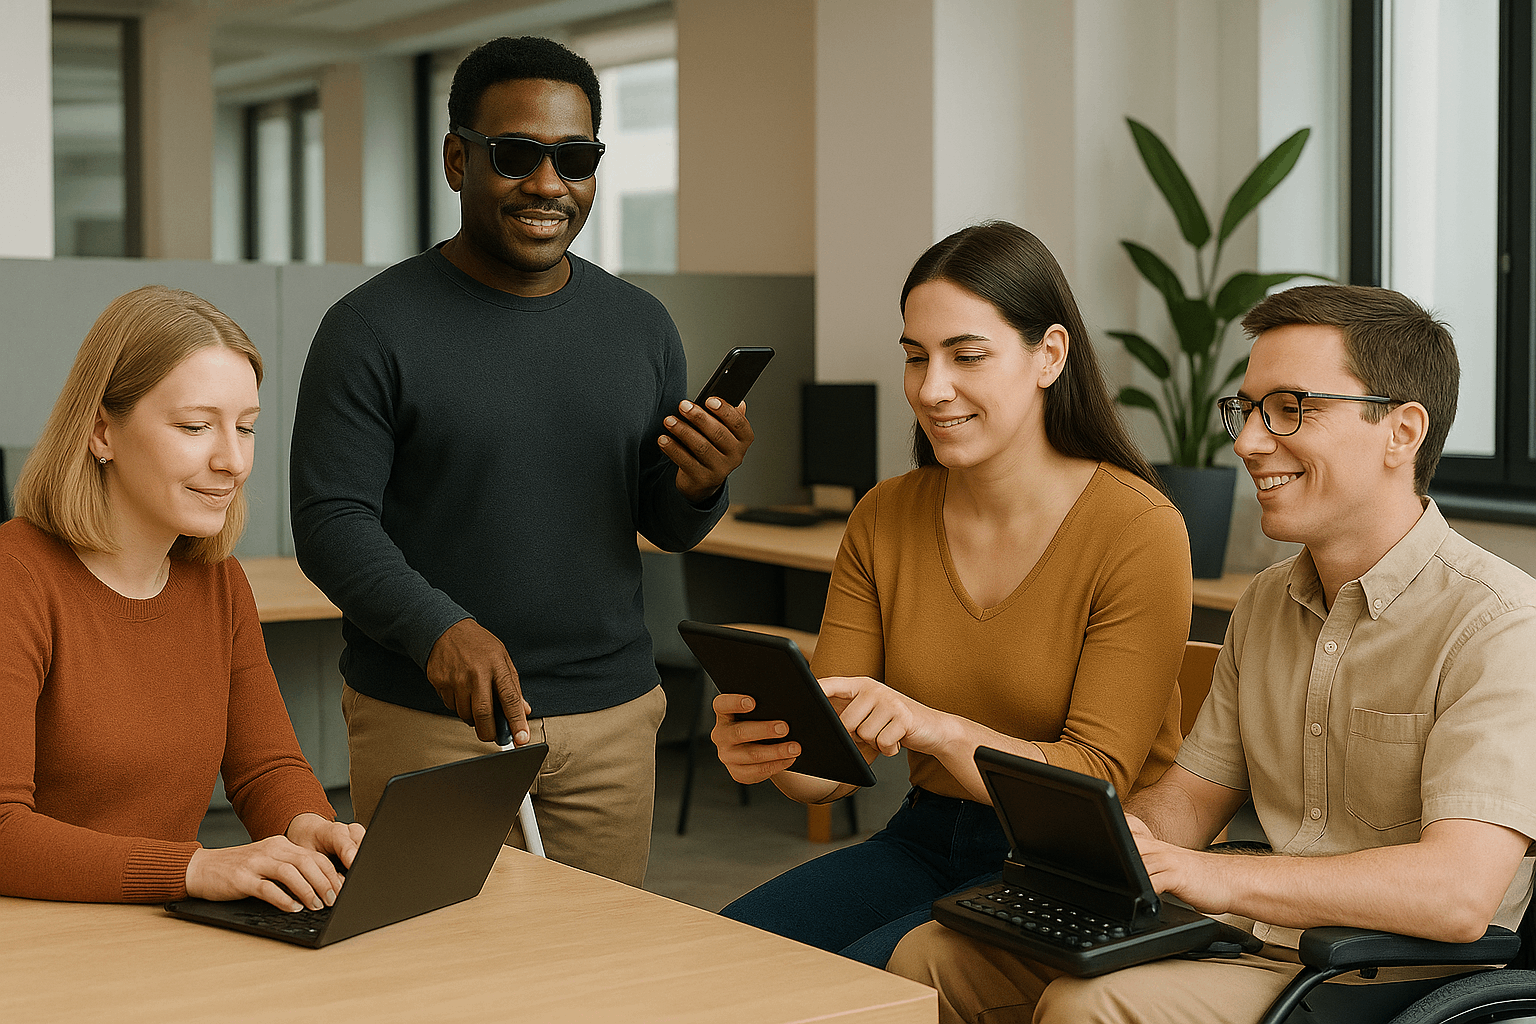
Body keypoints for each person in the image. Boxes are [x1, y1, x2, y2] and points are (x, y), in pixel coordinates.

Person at [888, 283, 1536, 1023]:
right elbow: (1192, 798)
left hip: (1377, 979)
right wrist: (1124, 841)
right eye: (1250, 410)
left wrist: (1208, 878)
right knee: (927, 959)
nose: (1249, 441)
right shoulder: (1266, 604)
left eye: (1291, 408)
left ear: (1402, 431)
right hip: (1241, 941)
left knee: (1088, 1007)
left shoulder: (1500, 624)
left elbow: (1455, 895)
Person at [288, 36, 753, 888]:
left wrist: (700, 482)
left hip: (610, 718)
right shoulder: (370, 328)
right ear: (457, 160)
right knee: (434, 980)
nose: (549, 184)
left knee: (593, 987)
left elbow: (658, 516)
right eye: (517, 155)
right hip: (429, 720)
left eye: (575, 159)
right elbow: (330, 521)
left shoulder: (640, 326)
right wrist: (440, 629)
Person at [711, 222, 1194, 968]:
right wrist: (771, 749)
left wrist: (935, 729)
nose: (931, 389)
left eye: (967, 356)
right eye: (915, 357)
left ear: (1050, 356)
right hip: (927, 836)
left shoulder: (1137, 528)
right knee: (716, 963)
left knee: (857, 994)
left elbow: (1095, 779)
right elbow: (824, 774)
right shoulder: (885, 514)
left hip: (1076, 869)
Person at [0, 285, 362, 911]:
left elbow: (265, 769)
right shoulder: (17, 577)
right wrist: (192, 868)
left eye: (245, 429)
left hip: (160, 929)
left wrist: (309, 826)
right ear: (101, 433)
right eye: (196, 426)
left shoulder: (218, 584)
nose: (232, 461)